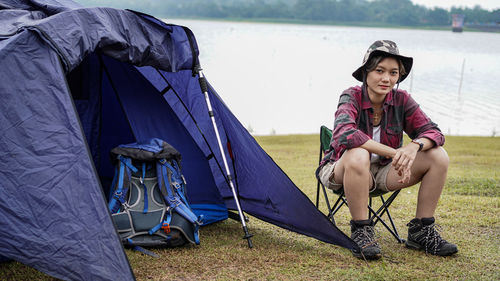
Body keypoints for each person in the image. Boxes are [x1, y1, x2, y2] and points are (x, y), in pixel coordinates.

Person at [317, 40, 458, 260]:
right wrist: (395, 153)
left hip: (383, 172)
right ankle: (362, 230)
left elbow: (434, 132)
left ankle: (421, 230)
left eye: (393, 73)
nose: (386, 79)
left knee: (438, 156)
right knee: (358, 152)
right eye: (379, 71)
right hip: (342, 170)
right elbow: (345, 133)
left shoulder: (402, 100)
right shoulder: (351, 96)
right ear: (366, 72)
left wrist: (414, 146)